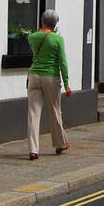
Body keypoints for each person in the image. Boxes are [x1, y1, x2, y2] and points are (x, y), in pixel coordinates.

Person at [26, 9, 71, 160]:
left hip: (34, 76)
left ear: (42, 20)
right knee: (55, 110)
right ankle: (59, 144)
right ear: (55, 23)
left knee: (33, 113)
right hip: (50, 77)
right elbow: (62, 62)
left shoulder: (32, 37)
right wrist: (67, 83)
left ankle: (33, 150)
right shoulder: (58, 39)